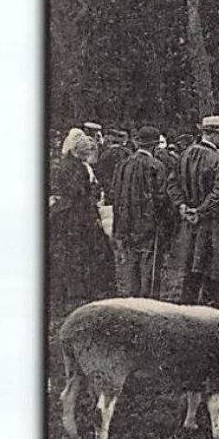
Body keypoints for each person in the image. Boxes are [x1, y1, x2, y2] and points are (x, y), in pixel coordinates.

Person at [169, 115, 219, 307]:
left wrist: (182, 206)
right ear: (211, 134)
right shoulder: (218, 160)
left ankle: (186, 314)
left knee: (191, 272)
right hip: (213, 225)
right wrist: (200, 211)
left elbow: (172, 185)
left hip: (189, 225)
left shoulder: (185, 155)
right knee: (214, 273)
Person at [48, 128, 114, 318]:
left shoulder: (65, 164)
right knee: (81, 254)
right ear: (79, 152)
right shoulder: (75, 168)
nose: (87, 157)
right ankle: (79, 293)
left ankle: (70, 293)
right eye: (86, 153)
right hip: (78, 217)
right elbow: (79, 194)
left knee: (69, 255)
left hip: (67, 215)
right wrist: (92, 200)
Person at [111, 124, 172, 298]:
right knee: (150, 269)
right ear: (154, 145)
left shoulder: (123, 165)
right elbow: (161, 198)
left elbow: (114, 194)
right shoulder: (156, 166)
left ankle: (132, 301)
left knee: (131, 266)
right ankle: (147, 303)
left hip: (126, 223)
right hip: (149, 226)